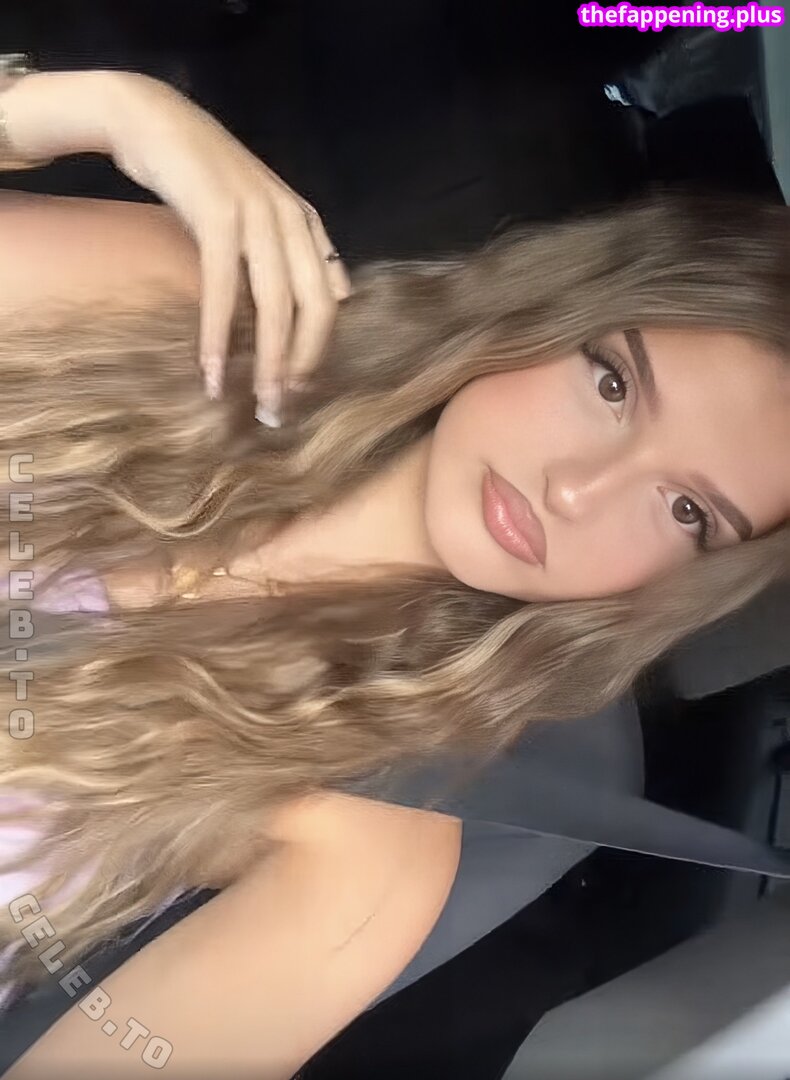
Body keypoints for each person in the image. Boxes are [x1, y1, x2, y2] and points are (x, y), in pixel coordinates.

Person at [0, 63, 789, 1079]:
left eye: (685, 510)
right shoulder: (179, 301)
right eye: (611, 383)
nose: (575, 491)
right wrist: (94, 109)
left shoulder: (369, 851)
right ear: (545, 308)